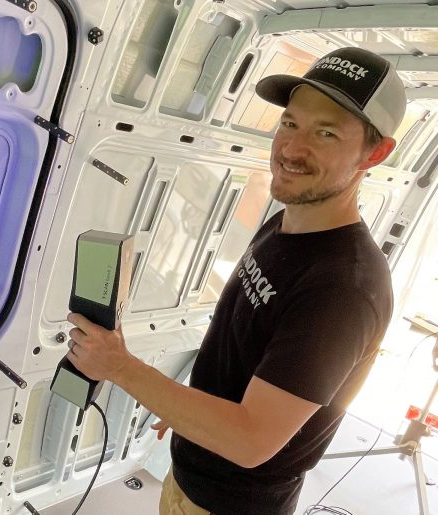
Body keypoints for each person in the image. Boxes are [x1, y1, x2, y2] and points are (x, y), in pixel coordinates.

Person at [65, 46, 406, 515]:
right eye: (290, 123)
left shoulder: (343, 290)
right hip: (191, 476)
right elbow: (243, 347)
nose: (292, 149)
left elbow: (250, 440)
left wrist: (119, 367)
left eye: (326, 133)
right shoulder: (285, 222)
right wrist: (189, 412)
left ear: (376, 152)